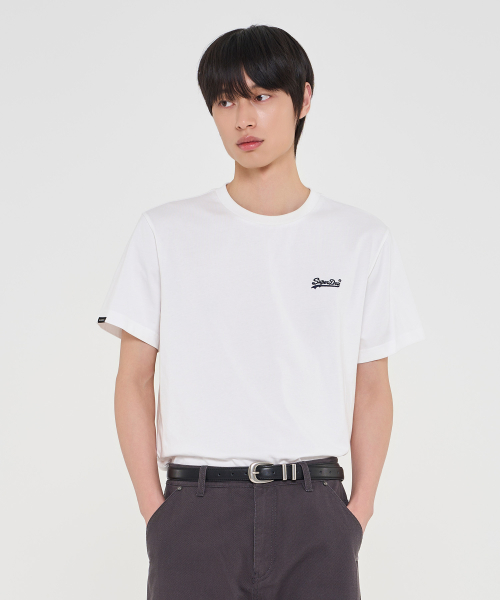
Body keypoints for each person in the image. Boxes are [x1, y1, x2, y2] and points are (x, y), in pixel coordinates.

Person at [96, 24, 425, 600]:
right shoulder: (165, 231)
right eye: (226, 101)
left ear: (304, 98)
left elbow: (373, 385)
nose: (244, 118)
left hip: (316, 508)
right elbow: (133, 379)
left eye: (261, 96)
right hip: (196, 510)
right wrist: (156, 513)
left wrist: (358, 510)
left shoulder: (360, 238)